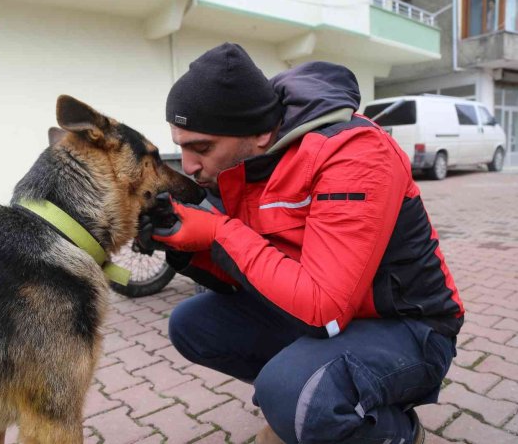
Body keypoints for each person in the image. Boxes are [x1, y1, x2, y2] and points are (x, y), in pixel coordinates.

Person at [142, 43, 463, 444]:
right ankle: (319, 394)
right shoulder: (246, 163)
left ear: (259, 132)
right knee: (191, 324)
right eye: (182, 145)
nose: (188, 166)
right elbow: (255, 274)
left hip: (409, 326)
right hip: (334, 318)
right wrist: (185, 246)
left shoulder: (354, 154)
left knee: (294, 393)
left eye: (201, 148)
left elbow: (323, 311)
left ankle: (396, 430)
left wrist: (219, 231)